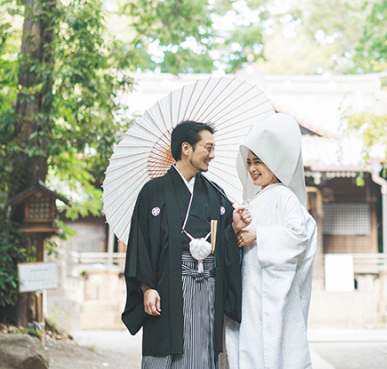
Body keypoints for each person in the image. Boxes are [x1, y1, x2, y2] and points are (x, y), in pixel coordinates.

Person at [122, 120, 250, 369]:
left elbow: (225, 243)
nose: (212, 155)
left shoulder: (216, 194)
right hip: (166, 287)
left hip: (207, 289)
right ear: (186, 148)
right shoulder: (152, 191)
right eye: (208, 148)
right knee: (163, 350)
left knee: (201, 351)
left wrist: (234, 228)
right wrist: (147, 288)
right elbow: (141, 243)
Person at [224, 113, 318, 369]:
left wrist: (259, 234)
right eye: (249, 162)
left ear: (274, 162)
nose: (252, 169)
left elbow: (299, 235)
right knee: (251, 345)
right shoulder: (256, 199)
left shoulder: (284, 196)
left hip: (273, 291)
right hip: (251, 287)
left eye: (259, 162)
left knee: (273, 348)